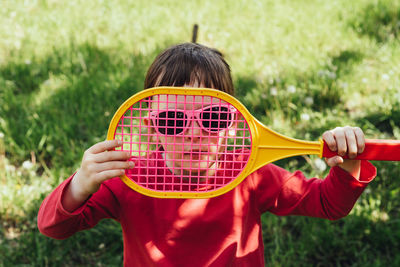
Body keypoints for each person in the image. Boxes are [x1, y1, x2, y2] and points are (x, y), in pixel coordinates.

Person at [38, 43, 376, 266]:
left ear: (233, 123)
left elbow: (328, 204)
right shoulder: (128, 179)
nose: (194, 133)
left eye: (213, 118)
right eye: (173, 120)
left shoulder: (251, 173)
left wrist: (347, 167)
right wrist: (80, 185)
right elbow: (54, 228)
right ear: (151, 125)